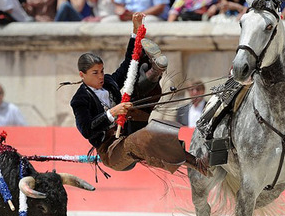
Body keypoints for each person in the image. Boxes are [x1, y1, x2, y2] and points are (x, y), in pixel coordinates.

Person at [69, 12, 207, 174]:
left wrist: (135, 30)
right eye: (95, 73)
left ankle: (154, 72)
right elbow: (87, 129)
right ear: (82, 75)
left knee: (138, 85)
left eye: (101, 71)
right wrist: (112, 113)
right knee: (142, 138)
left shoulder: (108, 82)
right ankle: (198, 164)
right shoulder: (79, 100)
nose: (101, 76)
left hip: (128, 129)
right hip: (111, 151)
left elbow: (129, 64)